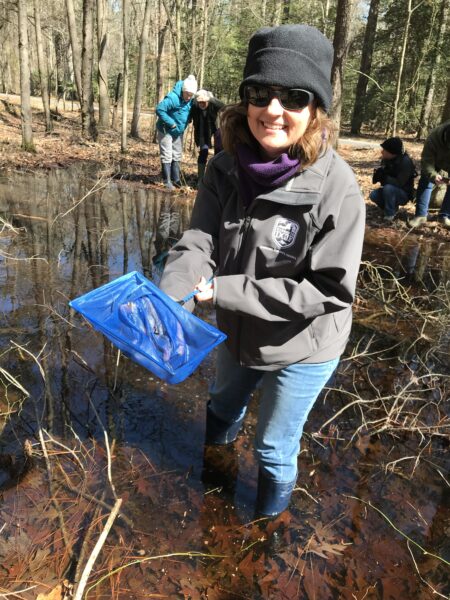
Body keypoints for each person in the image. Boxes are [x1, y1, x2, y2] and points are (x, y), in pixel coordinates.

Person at [160, 24, 365, 520]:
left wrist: (224, 292)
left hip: (305, 344)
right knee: (221, 408)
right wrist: (172, 297)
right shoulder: (223, 166)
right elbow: (200, 241)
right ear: (245, 99)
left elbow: (328, 290)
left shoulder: (338, 188)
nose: (273, 110)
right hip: (237, 330)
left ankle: (262, 538)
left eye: (294, 97)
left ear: (315, 110)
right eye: (260, 93)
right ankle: (212, 494)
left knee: (273, 449)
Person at [155, 74, 198, 189]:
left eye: (191, 95)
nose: (189, 97)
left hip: (178, 131)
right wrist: (171, 123)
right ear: (183, 91)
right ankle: (167, 181)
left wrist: (187, 120)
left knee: (177, 154)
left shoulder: (191, 100)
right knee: (167, 155)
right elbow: (159, 109)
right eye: (187, 94)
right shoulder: (173, 98)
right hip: (166, 130)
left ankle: (177, 180)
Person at [408, 120, 450, 228]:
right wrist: (433, 175)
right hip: (435, 160)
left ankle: (444, 216)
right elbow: (427, 162)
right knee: (426, 180)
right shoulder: (433, 138)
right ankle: (421, 216)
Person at [369, 136, 416, 221]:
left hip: (404, 194)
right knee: (374, 195)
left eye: (385, 150)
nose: (382, 152)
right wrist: (379, 176)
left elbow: (400, 183)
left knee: (388, 189)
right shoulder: (387, 160)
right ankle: (392, 208)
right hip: (391, 190)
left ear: (392, 153)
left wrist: (385, 178)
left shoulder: (405, 162)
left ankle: (389, 215)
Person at [190, 90, 225, 184]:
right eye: (199, 102)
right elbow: (189, 115)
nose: (201, 104)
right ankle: (201, 179)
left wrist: (210, 98)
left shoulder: (213, 105)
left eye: (204, 102)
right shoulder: (195, 106)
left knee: (218, 154)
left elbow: (223, 106)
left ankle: (217, 179)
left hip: (216, 130)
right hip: (202, 133)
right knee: (203, 153)